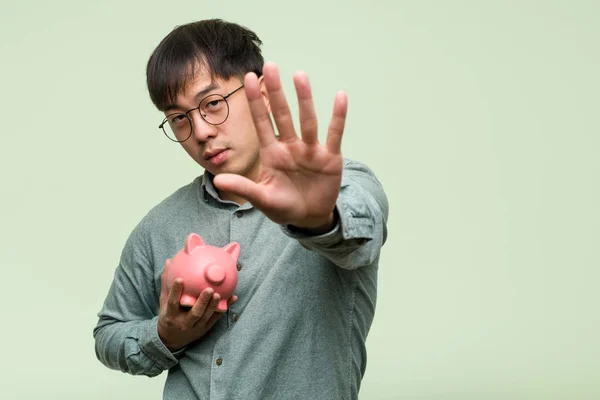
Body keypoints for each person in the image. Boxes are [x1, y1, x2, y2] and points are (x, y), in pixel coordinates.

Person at [93, 18, 389, 400]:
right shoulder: (159, 225)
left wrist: (317, 221)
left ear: (260, 94)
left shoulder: (343, 185)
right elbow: (109, 333)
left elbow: (360, 233)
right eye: (179, 119)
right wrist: (166, 334)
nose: (200, 132)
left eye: (212, 104)